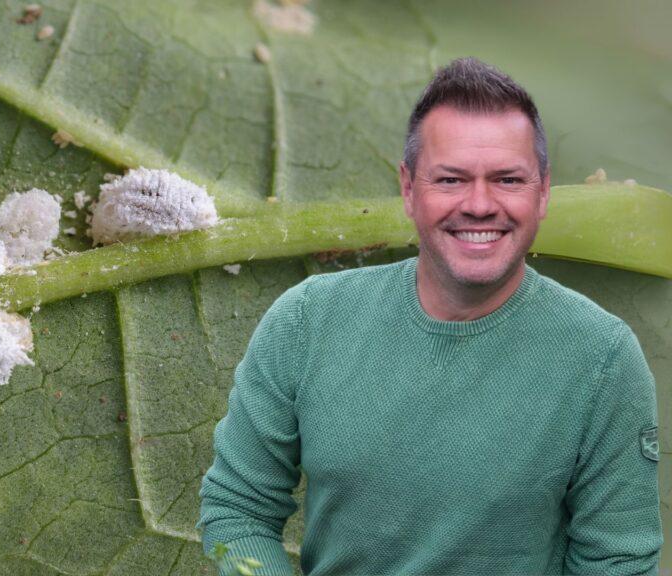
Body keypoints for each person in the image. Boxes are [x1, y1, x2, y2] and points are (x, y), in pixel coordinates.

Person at [196, 57, 662, 575]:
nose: (480, 204)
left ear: (544, 191)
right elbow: (236, 511)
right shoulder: (306, 322)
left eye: (508, 179)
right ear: (408, 188)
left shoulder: (603, 358)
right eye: (451, 179)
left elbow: (618, 562)